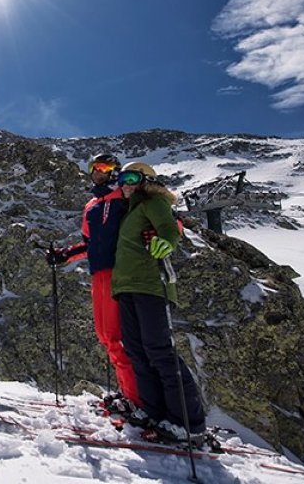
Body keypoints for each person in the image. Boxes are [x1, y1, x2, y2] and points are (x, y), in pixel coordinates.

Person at [111, 161, 206, 443]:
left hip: (152, 286)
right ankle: (153, 411)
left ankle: (187, 423)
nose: (125, 183)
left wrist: (166, 241)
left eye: (131, 177)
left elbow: (169, 228)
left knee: (159, 351)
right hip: (127, 287)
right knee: (137, 351)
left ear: (146, 180)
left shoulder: (154, 202)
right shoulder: (131, 211)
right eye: (121, 179)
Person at [48, 153, 141, 414]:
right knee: (106, 336)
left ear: (116, 171)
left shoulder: (125, 197)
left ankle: (136, 401)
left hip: (120, 272)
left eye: (106, 168)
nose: (99, 172)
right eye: (95, 168)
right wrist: (65, 254)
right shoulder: (91, 206)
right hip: (98, 275)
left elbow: (163, 217)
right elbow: (90, 244)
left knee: (118, 338)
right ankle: (127, 395)